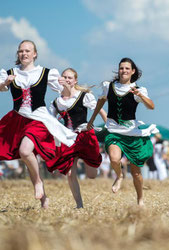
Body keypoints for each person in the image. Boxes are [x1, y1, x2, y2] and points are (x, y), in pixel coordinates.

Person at [0, 40, 77, 208]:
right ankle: (43, 197)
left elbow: (65, 92)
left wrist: (67, 86)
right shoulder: (9, 73)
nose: (24, 54)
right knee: (29, 157)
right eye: (21, 51)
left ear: (35, 54)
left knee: (25, 151)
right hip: (17, 119)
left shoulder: (46, 72)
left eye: (28, 51)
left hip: (39, 119)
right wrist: (4, 84)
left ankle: (37, 183)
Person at [87, 57, 158, 206]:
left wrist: (140, 96)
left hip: (131, 133)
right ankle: (119, 176)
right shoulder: (109, 86)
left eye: (127, 68)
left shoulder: (138, 89)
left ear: (132, 71)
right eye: (121, 68)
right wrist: (92, 119)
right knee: (114, 159)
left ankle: (140, 199)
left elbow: (151, 106)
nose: (123, 71)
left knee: (136, 173)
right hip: (114, 131)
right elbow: (101, 101)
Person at [47, 68, 107, 208]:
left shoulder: (83, 96)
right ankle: (79, 205)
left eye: (69, 78)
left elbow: (100, 110)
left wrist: (109, 126)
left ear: (75, 81)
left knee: (91, 175)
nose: (67, 80)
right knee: (69, 173)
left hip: (85, 135)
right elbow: (50, 120)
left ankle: (93, 164)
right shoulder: (57, 102)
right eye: (64, 77)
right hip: (68, 138)